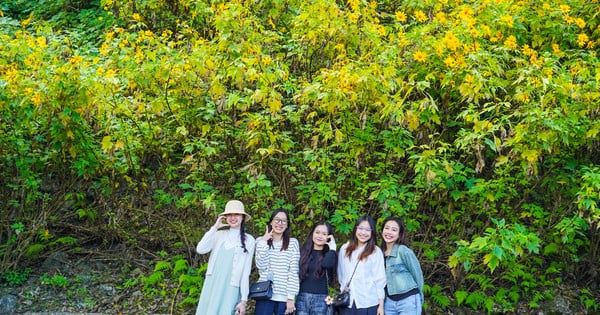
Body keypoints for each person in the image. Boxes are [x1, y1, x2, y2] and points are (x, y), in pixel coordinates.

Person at [195, 200, 255, 315]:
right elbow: (200, 249)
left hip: (231, 289)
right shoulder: (218, 235)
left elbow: (245, 273)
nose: (233, 217)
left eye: (236, 214)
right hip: (212, 286)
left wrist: (244, 300)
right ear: (225, 217)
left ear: (242, 217)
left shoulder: (249, 240)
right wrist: (215, 227)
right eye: (229, 214)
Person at [337, 215, 386, 315]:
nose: (363, 233)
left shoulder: (376, 251)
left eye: (368, 230)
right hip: (348, 303)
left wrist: (381, 305)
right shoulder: (345, 249)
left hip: (368, 303)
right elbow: (341, 274)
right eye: (360, 228)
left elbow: (380, 279)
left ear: (372, 232)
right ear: (355, 229)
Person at [254, 208, 300, 315]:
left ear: (287, 224)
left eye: (284, 221)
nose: (280, 223)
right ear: (271, 222)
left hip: (284, 298)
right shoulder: (260, 241)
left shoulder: (293, 243)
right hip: (264, 294)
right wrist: (263, 242)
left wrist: (290, 297)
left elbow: (293, 271)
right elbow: (261, 266)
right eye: (277, 220)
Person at [380, 217, 424, 315]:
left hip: (408, 301)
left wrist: (420, 299)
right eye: (387, 228)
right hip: (389, 303)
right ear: (382, 230)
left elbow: (417, 274)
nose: (389, 232)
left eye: (394, 230)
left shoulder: (403, 251)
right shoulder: (379, 253)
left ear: (399, 234)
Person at [296, 222, 337, 315]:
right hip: (302, 298)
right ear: (312, 233)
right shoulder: (302, 252)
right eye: (317, 232)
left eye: (324, 234)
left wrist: (333, 248)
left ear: (329, 237)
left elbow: (327, 264)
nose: (320, 236)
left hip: (321, 300)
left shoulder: (330, 254)